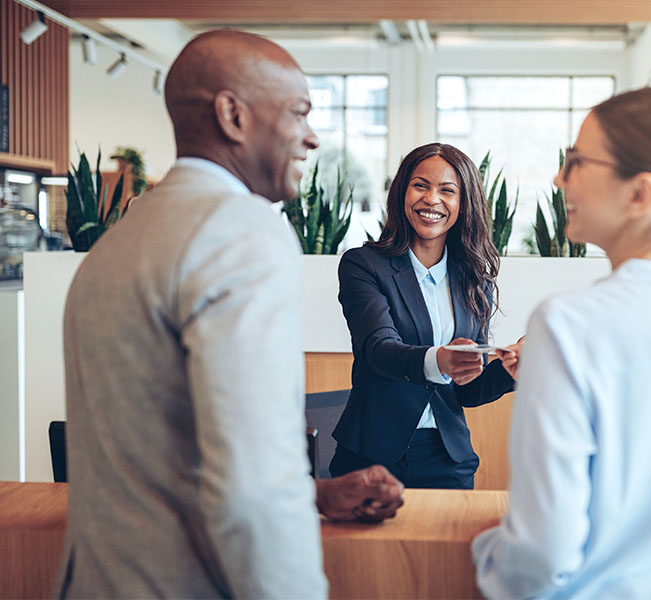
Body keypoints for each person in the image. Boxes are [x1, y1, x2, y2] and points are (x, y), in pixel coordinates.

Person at [54, 30, 403, 599]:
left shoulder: (119, 240)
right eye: (298, 113)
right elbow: (253, 487)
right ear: (232, 115)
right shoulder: (241, 231)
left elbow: (159, 452)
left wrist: (311, 491)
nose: (312, 137)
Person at [471, 88, 651, 598]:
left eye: (577, 162)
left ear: (640, 195)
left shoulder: (567, 324)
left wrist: (488, 551)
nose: (560, 178)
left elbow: (540, 555)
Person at [330, 143, 520, 489]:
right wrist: (440, 360)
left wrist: (507, 372)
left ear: (463, 205)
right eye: (420, 185)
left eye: (447, 190)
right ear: (402, 193)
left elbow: (467, 390)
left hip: (448, 459)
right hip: (371, 458)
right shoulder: (364, 265)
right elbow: (379, 349)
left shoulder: (475, 281)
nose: (431, 199)